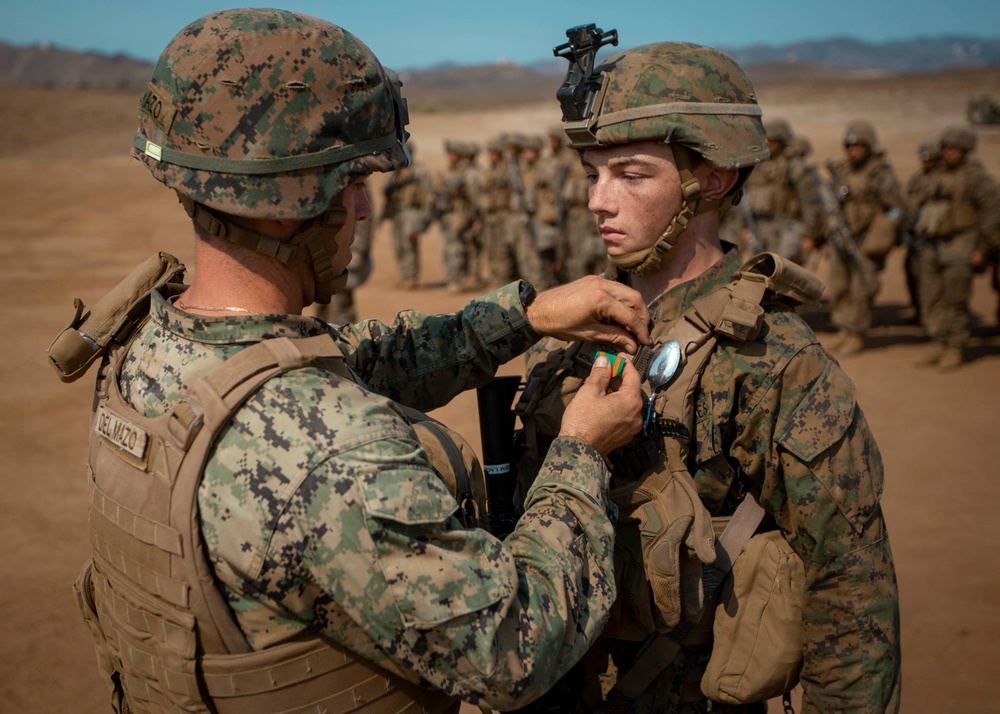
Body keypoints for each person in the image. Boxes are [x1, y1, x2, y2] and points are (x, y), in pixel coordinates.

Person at [61, 10, 656, 713]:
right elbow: (513, 649)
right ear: (292, 203)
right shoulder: (334, 455)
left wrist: (520, 317)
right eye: (352, 184)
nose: (365, 208)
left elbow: (357, 358)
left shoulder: (151, 347)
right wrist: (581, 451)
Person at [516, 37, 901, 713]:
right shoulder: (570, 330)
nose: (598, 202)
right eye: (592, 174)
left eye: (631, 176)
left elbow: (850, 593)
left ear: (714, 179)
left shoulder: (773, 360)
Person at [912, 124, 1000, 369]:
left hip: (961, 245)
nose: (949, 152)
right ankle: (938, 342)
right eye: (946, 147)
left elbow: (991, 216)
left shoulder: (976, 178)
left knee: (955, 299)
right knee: (931, 296)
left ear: (966, 150)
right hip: (932, 244)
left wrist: (982, 249)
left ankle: (955, 346)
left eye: (955, 148)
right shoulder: (933, 175)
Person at [825, 120, 905, 355]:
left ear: (869, 147)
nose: (853, 151)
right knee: (840, 285)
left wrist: (881, 236)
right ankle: (843, 328)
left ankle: (857, 332)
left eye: (858, 146)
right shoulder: (843, 170)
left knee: (862, 289)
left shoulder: (881, 173)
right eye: (849, 146)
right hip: (842, 236)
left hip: (867, 240)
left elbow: (896, 209)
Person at [739, 118, 822, 265]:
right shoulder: (757, 163)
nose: (769, 143)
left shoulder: (794, 166)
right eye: (767, 139)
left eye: (773, 140)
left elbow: (810, 202)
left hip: (787, 226)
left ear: (783, 141)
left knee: (783, 270)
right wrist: (745, 226)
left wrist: (810, 235)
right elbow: (745, 197)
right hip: (759, 226)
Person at [381, 140, 434, 289]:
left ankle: (411, 276)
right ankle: (404, 275)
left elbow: (429, 194)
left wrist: (423, 217)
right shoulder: (396, 172)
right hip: (397, 212)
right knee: (398, 244)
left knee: (409, 243)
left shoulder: (419, 171)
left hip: (412, 211)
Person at [901, 138, 942, 327]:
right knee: (913, 274)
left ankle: (934, 321)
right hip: (916, 238)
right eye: (923, 158)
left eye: (929, 159)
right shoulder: (917, 178)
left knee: (933, 284)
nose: (925, 162)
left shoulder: (941, 179)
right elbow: (907, 203)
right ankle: (920, 313)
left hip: (936, 240)